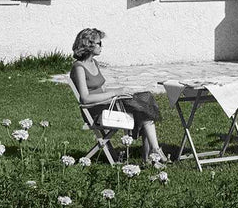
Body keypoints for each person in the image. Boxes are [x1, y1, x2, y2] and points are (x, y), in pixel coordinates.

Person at [70, 28, 166, 163]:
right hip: (95, 110)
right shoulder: (79, 67)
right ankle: (153, 154)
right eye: (99, 43)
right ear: (89, 45)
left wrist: (122, 91)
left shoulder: (94, 63)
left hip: (106, 104)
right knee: (144, 110)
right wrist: (115, 93)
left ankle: (153, 153)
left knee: (145, 100)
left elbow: (103, 90)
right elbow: (85, 98)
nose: (101, 47)